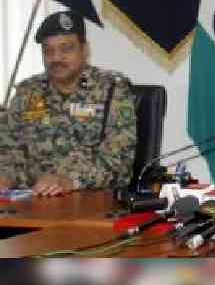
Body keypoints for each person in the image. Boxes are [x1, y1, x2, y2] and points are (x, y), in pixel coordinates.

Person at [0, 11, 137, 196]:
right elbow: (9, 150)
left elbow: (119, 164)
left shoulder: (112, 91)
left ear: (85, 50)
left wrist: (69, 180)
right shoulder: (27, 92)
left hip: (89, 204)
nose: (56, 58)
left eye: (66, 48)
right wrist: (6, 177)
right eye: (48, 50)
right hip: (32, 202)